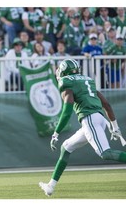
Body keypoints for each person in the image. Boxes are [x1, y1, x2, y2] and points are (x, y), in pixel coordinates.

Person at [38, 58, 126, 197]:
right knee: (66, 147)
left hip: (89, 119)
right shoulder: (87, 80)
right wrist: (114, 126)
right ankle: (50, 186)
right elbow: (106, 104)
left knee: (105, 153)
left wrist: (56, 133)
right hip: (99, 118)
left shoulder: (66, 83)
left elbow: (66, 112)